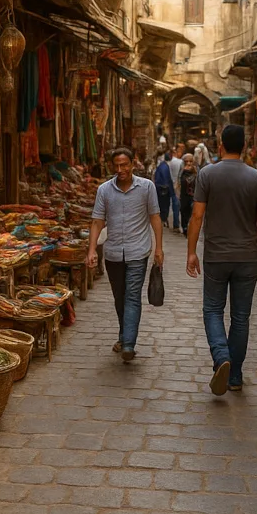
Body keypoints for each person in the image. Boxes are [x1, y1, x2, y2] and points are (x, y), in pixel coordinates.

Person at [186, 124, 257, 395]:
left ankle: (221, 356)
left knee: (212, 310)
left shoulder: (207, 175)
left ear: (220, 145)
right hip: (247, 257)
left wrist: (190, 252)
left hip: (216, 256)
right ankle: (234, 375)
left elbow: (197, 216)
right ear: (244, 147)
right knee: (241, 317)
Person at [87, 148, 163, 361]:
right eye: (117, 166)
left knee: (131, 296)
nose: (121, 170)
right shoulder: (104, 190)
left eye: (125, 165)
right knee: (120, 297)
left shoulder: (147, 187)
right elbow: (97, 221)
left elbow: (155, 217)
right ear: (112, 166)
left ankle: (128, 344)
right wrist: (92, 250)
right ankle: (124, 334)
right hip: (112, 253)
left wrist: (159, 248)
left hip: (138, 251)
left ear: (133, 163)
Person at [168, 143, 185, 233]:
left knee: (175, 205)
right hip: (179, 186)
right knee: (178, 206)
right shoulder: (179, 162)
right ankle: (178, 224)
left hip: (173, 185)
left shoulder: (171, 162)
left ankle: (176, 224)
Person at [153, 152, 174, 227]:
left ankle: (163, 219)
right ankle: (163, 219)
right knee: (164, 205)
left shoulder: (162, 166)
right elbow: (165, 179)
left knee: (162, 205)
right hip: (163, 189)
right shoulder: (164, 166)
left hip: (161, 189)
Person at [179, 153, 197, 232]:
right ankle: (185, 227)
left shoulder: (196, 172)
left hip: (193, 197)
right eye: (186, 161)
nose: (189, 163)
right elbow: (180, 183)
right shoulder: (182, 172)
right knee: (184, 212)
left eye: (190, 161)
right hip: (184, 197)